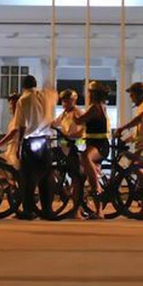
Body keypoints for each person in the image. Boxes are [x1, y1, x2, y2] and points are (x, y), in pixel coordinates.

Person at [12, 75, 58, 220]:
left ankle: (28, 210)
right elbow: (53, 95)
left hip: (30, 140)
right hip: (45, 140)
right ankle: (47, 209)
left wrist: (18, 146)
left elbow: (21, 125)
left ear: (23, 86)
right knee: (46, 175)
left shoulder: (23, 100)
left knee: (28, 177)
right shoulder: (44, 96)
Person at [74, 81, 111, 218]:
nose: (87, 94)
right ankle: (98, 211)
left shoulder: (95, 108)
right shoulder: (100, 106)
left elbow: (80, 120)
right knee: (87, 173)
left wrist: (73, 111)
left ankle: (96, 187)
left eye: (89, 92)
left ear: (94, 94)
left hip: (99, 145)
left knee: (85, 157)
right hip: (94, 143)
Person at [51, 89, 84, 218]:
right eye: (63, 100)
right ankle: (64, 192)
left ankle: (77, 210)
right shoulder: (64, 114)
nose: (65, 103)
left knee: (76, 180)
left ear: (74, 100)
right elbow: (53, 124)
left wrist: (69, 135)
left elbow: (82, 132)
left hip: (76, 149)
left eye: (67, 100)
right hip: (64, 149)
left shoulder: (78, 113)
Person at [115, 82, 143, 162]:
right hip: (142, 145)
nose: (131, 97)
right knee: (131, 165)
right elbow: (140, 131)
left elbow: (138, 119)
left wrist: (123, 128)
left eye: (132, 95)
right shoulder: (141, 107)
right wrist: (126, 140)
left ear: (139, 95)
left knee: (138, 167)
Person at [0, 93, 23, 170]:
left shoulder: (19, 118)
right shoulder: (14, 119)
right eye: (11, 104)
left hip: (15, 149)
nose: (11, 107)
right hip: (10, 148)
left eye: (14, 104)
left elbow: (12, 134)